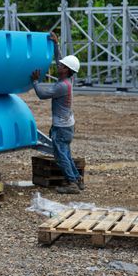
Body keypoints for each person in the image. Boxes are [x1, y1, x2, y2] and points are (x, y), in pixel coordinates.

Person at [30, 32, 83, 194]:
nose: (58, 65)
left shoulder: (62, 86)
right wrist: (56, 44)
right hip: (67, 125)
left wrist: (35, 81)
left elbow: (42, 94)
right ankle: (77, 179)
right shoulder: (68, 79)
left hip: (61, 127)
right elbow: (61, 59)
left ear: (67, 71)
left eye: (62, 66)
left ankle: (72, 183)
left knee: (61, 156)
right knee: (65, 152)